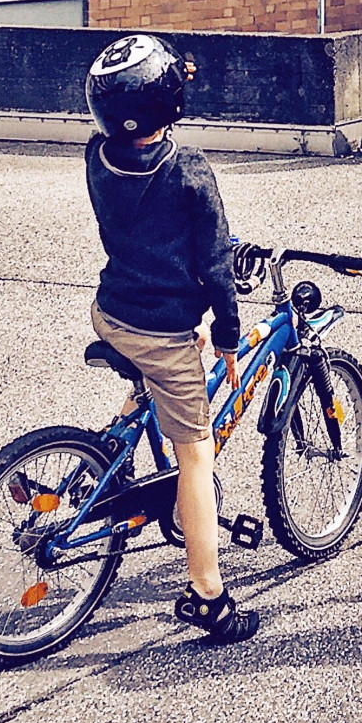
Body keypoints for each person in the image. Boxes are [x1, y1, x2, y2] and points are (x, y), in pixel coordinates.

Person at [83, 33, 258, 646]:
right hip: (160, 332)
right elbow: (215, 265)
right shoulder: (189, 172)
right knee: (196, 456)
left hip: (112, 311)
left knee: (157, 376)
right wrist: (228, 335)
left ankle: (98, 460)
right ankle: (208, 594)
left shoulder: (96, 156)